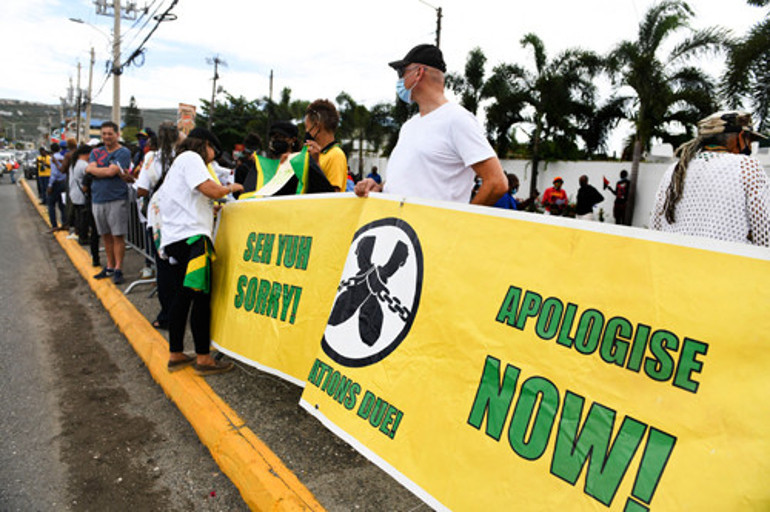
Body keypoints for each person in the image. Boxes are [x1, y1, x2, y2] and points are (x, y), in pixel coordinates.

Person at [355, 44, 506, 205]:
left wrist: (461, 225)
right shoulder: (409, 126)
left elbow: (496, 183)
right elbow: (410, 179)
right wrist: (378, 187)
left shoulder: (457, 119)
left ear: (418, 73)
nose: (400, 80)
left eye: (402, 72)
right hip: (399, 227)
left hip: (433, 229)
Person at [155, 127, 244, 375]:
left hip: (176, 239)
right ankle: (204, 358)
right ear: (205, 144)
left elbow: (190, 201)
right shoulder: (192, 158)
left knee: (181, 298)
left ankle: (176, 353)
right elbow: (212, 190)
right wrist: (232, 188)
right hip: (193, 240)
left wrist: (210, 209)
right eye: (213, 151)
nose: (213, 158)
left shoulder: (176, 165)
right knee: (200, 300)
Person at [650, 110, 770, 246]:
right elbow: (765, 233)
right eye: (749, 140)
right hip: (724, 264)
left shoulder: (673, 170)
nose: (749, 146)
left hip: (675, 262)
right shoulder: (747, 167)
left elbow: (655, 226)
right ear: (741, 137)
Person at [86, 121, 132, 285]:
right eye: (104, 134)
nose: (106, 137)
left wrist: (97, 170)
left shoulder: (123, 152)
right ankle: (110, 265)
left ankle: (119, 268)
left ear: (117, 134)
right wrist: (103, 171)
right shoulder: (96, 151)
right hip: (97, 198)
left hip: (116, 198)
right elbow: (89, 169)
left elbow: (111, 171)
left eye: (110, 134)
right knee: (105, 235)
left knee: (117, 235)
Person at [304, 99, 347, 192]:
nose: (306, 132)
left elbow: (332, 196)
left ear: (317, 125)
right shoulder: (315, 153)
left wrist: (316, 165)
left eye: (307, 127)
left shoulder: (336, 155)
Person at [68, 144, 92, 245]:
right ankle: (83, 237)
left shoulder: (75, 163)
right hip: (81, 195)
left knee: (79, 217)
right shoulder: (84, 165)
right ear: (87, 154)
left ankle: (81, 235)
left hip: (74, 193)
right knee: (83, 218)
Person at [47, 142, 68, 232]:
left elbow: (54, 173)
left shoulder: (54, 158)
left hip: (56, 183)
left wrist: (50, 185)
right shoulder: (63, 157)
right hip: (64, 182)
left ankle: (54, 225)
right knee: (62, 204)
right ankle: (64, 223)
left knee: (51, 205)